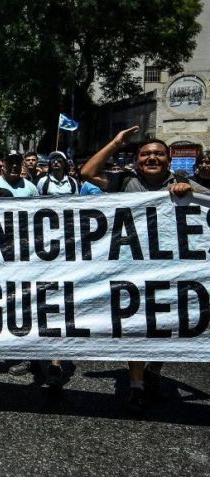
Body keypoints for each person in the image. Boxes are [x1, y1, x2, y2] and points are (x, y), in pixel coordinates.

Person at [80, 125, 205, 413]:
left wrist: (189, 191)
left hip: (173, 269)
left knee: (169, 326)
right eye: (146, 154)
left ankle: (155, 370)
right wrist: (115, 142)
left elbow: (205, 200)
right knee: (138, 325)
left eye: (158, 154)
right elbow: (87, 173)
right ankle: (135, 385)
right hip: (134, 268)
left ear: (169, 159)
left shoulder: (182, 181)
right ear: (136, 160)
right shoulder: (124, 182)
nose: (152, 159)